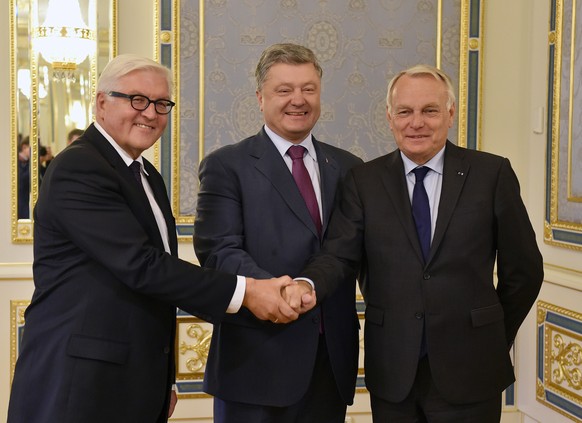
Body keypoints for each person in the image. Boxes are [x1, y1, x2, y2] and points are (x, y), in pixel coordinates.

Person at [7, 54, 314, 423]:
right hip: (79, 382)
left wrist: (162, 382)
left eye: (161, 103)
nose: (150, 113)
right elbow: (143, 266)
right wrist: (248, 292)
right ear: (101, 102)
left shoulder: (145, 173)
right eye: (136, 99)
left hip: (133, 379)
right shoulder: (79, 166)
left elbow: (154, 284)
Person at [297, 64, 544, 422]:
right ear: (389, 117)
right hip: (393, 369)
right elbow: (338, 255)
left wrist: (489, 332)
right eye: (405, 112)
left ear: (451, 113)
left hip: (472, 367)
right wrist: (307, 284)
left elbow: (523, 272)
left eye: (429, 110)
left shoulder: (491, 174)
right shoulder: (363, 181)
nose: (417, 123)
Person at [194, 43, 363, 423]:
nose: (297, 100)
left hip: (330, 361)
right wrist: (277, 292)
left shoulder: (350, 168)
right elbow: (219, 250)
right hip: (256, 357)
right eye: (284, 90)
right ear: (260, 97)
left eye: (308, 88)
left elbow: (348, 250)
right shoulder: (227, 165)